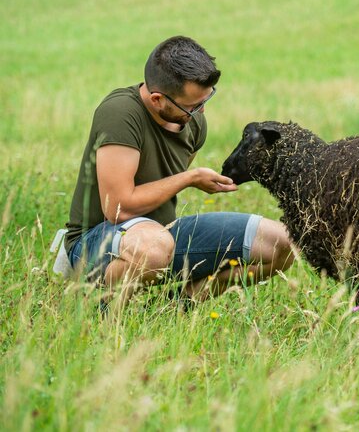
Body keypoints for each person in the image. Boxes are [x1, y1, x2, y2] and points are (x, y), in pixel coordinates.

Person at [61, 36, 294, 309]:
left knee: (282, 243)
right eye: (192, 106)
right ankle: (101, 311)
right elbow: (118, 209)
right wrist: (190, 178)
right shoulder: (120, 113)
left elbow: (163, 183)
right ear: (158, 99)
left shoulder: (193, 122)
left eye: (206, 99)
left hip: (162, 236)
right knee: (153, 249)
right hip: (97, 243)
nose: (201, 111)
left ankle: (176, 308)